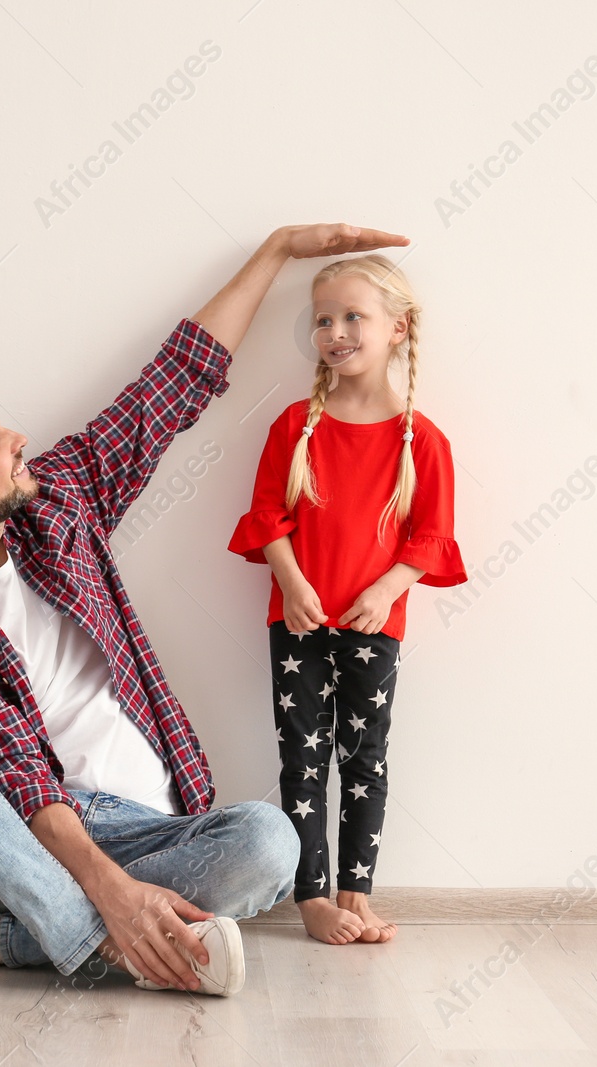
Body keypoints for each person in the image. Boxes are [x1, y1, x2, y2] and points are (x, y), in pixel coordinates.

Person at [0, 224, 410, 995]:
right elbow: (17, 773)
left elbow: (174, 383)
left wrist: (278, 250)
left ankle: (15, 939)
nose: (17, 436)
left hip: (158, 828)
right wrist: (109, 892)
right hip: (25, 838)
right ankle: (105, 937)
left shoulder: (61, 502)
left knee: (270, 841)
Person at [227, 254, 468, 947]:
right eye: (323, 319)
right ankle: (312, 899)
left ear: (398, 327)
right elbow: (268, 516)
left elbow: (432, 536)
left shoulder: (422, 441)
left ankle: (355, 894)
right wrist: (294, 583)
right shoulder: (293, 426)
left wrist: (388, 587)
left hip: (373, 625)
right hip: (297, 619)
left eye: (352, 316)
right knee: (303, 758)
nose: (334, 331)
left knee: (365, 759)